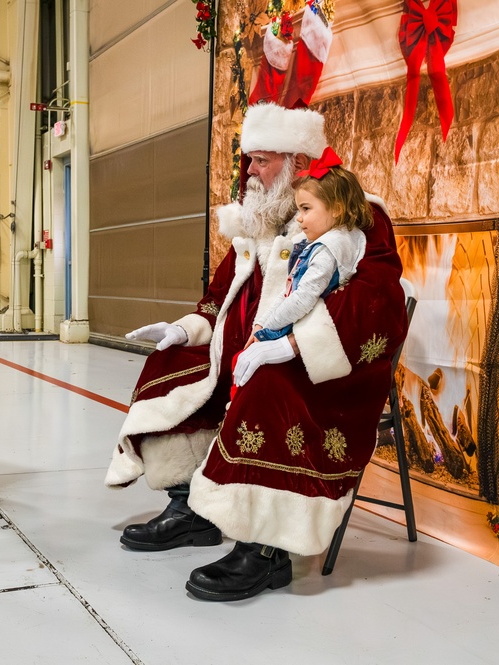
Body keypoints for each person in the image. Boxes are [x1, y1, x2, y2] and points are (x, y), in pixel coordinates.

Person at [106, 102, 409, 602]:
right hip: (242, 353)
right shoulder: (258, 224)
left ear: (296, 163)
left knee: (268, 387)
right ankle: (190, 509)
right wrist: (186, 329)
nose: (249, 171)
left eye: (262, 160)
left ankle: (264, 548)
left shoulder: (356, 216)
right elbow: (219, 296)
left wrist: (289, 348)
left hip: (315, 372)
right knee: (171, 362)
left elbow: (379, 301)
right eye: (249, 159)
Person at [234, 146, 371, 386]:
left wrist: (268, 329)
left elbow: (302, 298)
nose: (299, 218)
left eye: (306, 209)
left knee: (255, 372)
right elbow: (288, 291)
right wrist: (261, 324)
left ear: (337, 209)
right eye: (299, 209)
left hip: (307, 335)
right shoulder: (317, 243)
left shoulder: (328, 250)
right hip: (291, 324)